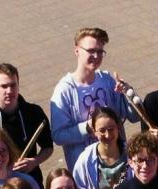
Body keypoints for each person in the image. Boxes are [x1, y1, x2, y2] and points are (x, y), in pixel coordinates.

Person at [48, 26, 137, 170]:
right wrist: (89, 127)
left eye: (100, 51)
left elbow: (134, 116)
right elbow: (58, 135)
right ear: (77, 50)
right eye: (91, 51)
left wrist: (130, 94)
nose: (96, 56)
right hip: (86, 170)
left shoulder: (107, 80)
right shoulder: (64, 90)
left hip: (117, 162)